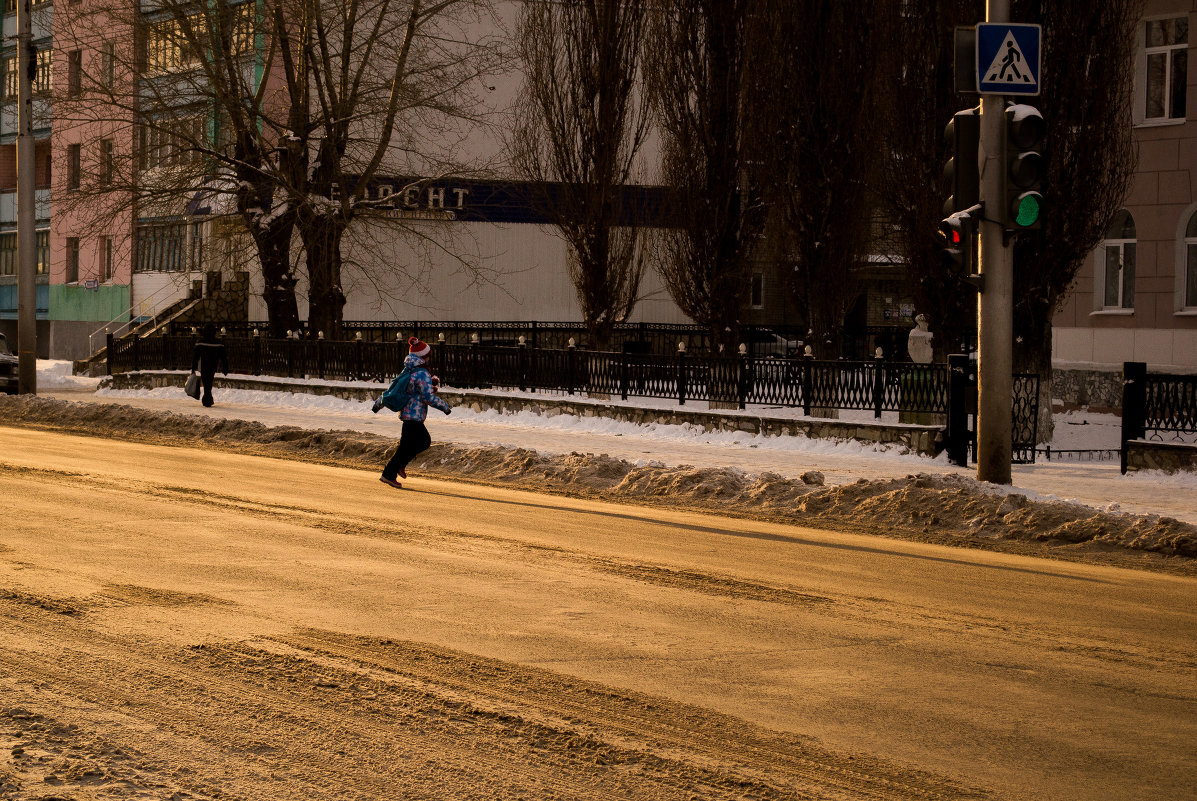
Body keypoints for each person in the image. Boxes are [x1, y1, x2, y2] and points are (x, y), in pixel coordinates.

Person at [378, 336, 451, 489]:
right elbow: (428, 397)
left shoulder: (410, 368)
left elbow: (410, 387)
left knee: (406, 446)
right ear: (423, 356)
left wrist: (430, 383)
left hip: (407, 413)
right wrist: (444, 406)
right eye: (428, 354)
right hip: (415, 415)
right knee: (424, 441)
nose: (430, 356)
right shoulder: (422, 372)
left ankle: (393, 470)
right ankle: (390, 473)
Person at [190, 324, 229, 407]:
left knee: (206, 382)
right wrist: (225, 367)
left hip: (204, 366)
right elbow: (223, 356)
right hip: (213, 365)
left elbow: (195, 356)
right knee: (209, 381)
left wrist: (193, 368)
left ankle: (207, 399)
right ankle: (208, 398)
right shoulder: (218, 343)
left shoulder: (200, 342)